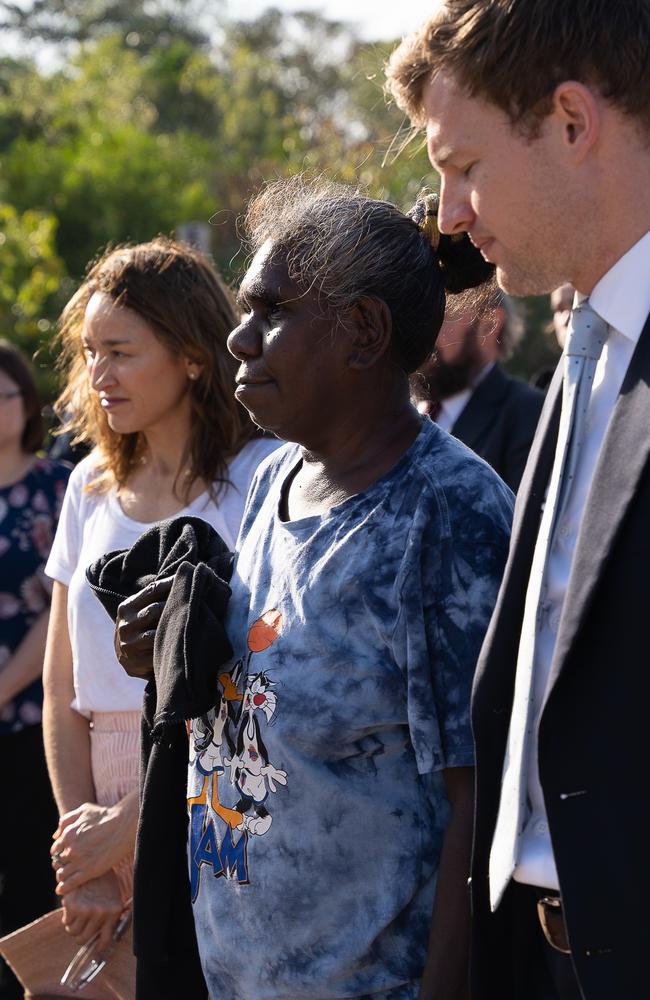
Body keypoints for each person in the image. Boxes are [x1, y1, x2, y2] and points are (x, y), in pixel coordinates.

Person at [117, 177, 513, 999]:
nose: (239, 339)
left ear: (363, 333)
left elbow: (477, 806)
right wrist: (161, 652)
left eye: (271, 312)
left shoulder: (444, 514)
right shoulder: (279, 480)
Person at [386, 2, 650, 998]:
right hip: (537, 953)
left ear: (571, 122)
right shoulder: (583, 347)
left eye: (463, 165)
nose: (445, 212)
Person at [41, 239, 279, 977]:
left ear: (193, 357)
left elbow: (261, 677)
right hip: (95, 806)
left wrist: (134, 826)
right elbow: (61, 689)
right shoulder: (87, 487)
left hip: (220, 791)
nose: (98, 374)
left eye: (119, 350)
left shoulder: (263, 478)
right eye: (88, 353)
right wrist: (82, 849)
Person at [0, 341, 70, 1000]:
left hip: (28, 721)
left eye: (4, 395)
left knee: (26, 885)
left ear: (28, 404)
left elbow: (61, 611)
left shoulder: (55, 487)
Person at [414, 289, 543, 490]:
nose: (424, 331)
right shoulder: (398, 414)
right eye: (420, 316)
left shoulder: (530, 414)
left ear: (489, 324)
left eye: (441, 316)